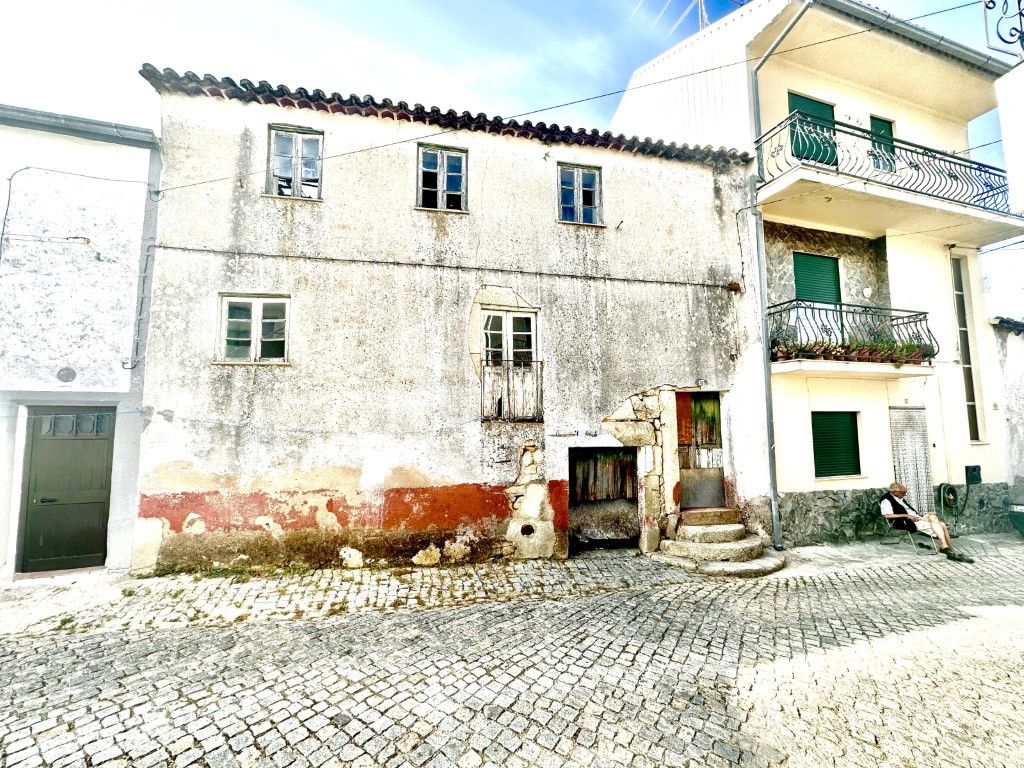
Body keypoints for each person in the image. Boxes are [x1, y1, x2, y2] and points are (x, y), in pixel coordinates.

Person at [880, 482, 974, 563]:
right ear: (894, 492)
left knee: (932, 516)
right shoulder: (886, 500)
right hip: (906, 521)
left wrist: (924, 514)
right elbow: (887, 515)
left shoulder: (899, 498)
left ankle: (944, 546)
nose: (905, 494)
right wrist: (907, 516)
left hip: (916, 517)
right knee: (942, 525)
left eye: (905, 492)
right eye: (903, 493)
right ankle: (950, 549)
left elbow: (912, 512)